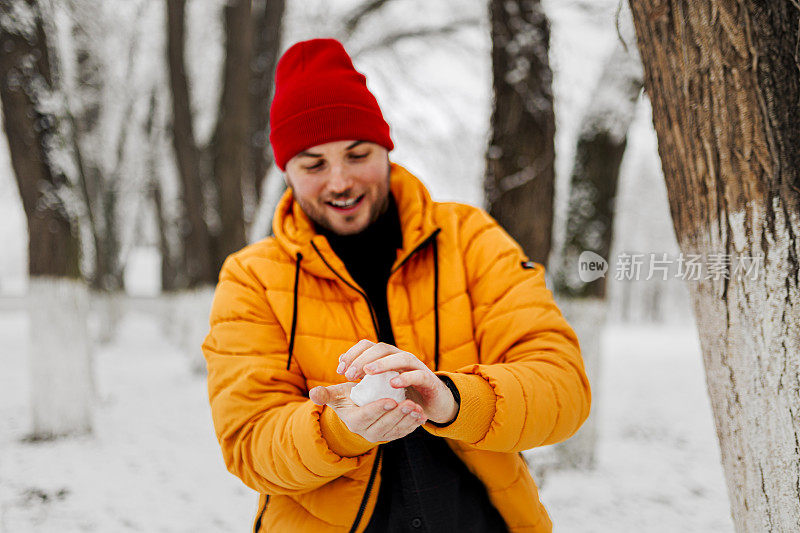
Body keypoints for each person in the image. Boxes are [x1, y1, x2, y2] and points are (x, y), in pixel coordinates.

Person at [202, 38, 591, 533]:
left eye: (357, 154)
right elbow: (248, 442)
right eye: (314, 164)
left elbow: (562, 387)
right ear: (287, 171)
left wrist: (452, 399)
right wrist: (338, 429)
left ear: (386, 149)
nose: (340, 181)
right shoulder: (252, 277)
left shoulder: (469, 239)